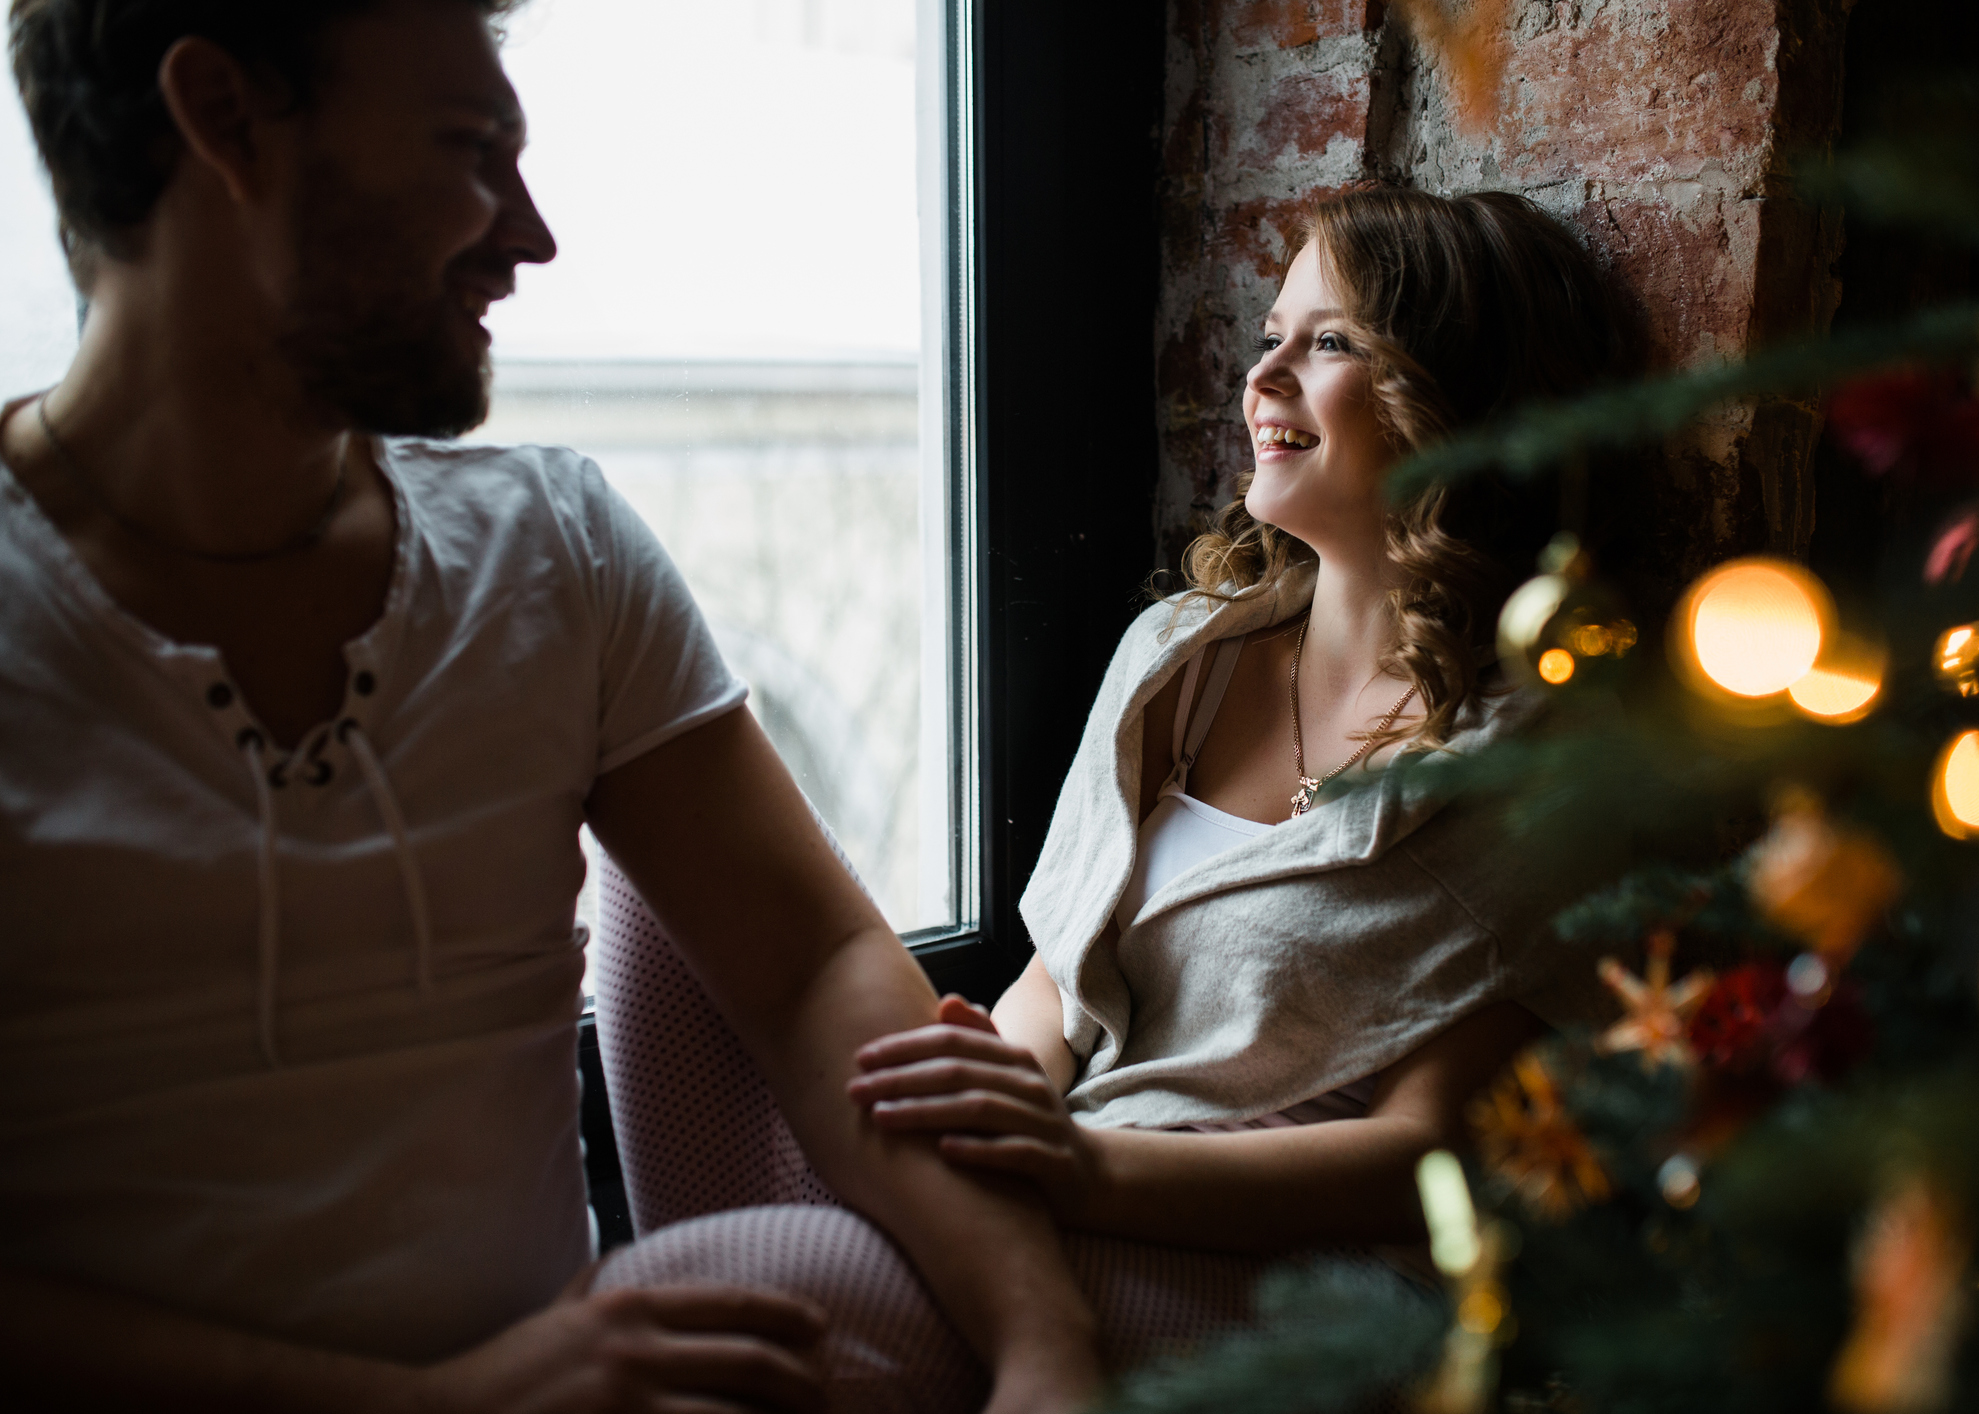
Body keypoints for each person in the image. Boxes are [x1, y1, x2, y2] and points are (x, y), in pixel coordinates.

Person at [0, 2, 1100, 1410]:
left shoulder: (554, 550)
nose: (531, 237)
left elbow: (812, 961)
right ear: (223, 120)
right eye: (470, 152)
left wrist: (1046, 1347)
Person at [588, 186, 1634, 1399]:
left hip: (1285, 1268)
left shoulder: (1538, 768)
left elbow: (1422, 1155)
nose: (1269, 375)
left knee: (706, 1293)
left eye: (1330, 342)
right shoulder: (1179, 659)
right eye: (1270, 337)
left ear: (1458, 403)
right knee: (658, 844)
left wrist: (1080, 1170)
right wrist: (984, 1124)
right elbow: (1050, 988)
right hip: (1069, 1172)